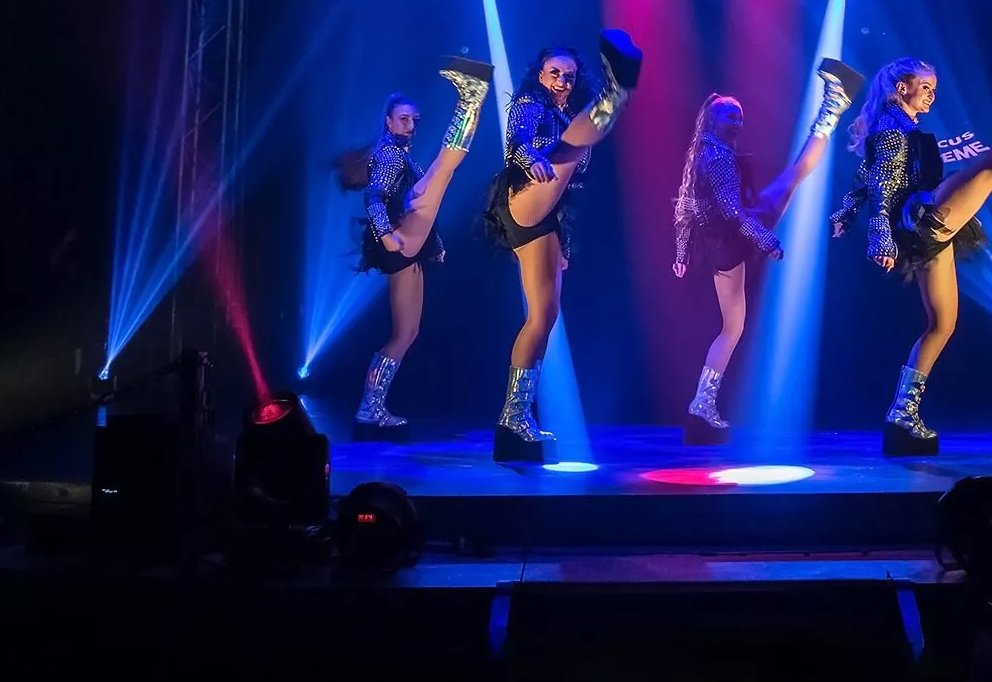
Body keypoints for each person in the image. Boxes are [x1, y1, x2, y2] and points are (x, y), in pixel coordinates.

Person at [831, 51, 992, 452]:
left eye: (934, 89)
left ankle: (901, 415)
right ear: (901, 88)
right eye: (925, 87)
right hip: (922, 217)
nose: (931, 95)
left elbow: (867, 175)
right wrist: (877, 233)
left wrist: (847, 212)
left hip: (923, 226)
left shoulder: (896, 125)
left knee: (943, 324)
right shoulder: (893, 128)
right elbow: (881, 183)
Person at [671, 59, 864, 431]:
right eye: (730, 114)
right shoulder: (717, 157)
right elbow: (730, 211)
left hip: (723, 242)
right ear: (711, 120)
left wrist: (682, 253)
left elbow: (687, 207)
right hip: (734, 236)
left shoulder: (705, 152)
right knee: (795, 173)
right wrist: (766, 240)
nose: (738, 120)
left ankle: (702, 402)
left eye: (740, 116)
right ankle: (834, 104)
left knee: (732, 327)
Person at [482, 31, 643, 455]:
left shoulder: (567, 113)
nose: (561, 81)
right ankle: (617, 91)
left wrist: (564, 245)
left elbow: (570, 189)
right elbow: (517, 141)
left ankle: (515, 418)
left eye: (569, 76)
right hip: (523, 195)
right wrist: (531, 158)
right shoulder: (530, 102)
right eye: (554, 73)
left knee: (545, 317)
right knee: (570, 144)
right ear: (540, 74)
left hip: (549, 212)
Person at [335, 58, 494, 436]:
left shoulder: (400, 154)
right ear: (389, 122)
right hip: (400, 239)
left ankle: (370, 407)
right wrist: (387, 234)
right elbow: (374, 197)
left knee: (407, 333)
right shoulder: (390, 154)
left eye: (414, 120)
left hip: (408, 241)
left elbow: (414, 209)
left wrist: (433, 243)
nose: (410, 125)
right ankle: (470, 98)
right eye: (403, 119)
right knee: (444, 169)